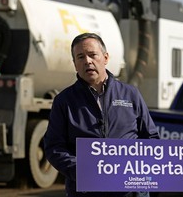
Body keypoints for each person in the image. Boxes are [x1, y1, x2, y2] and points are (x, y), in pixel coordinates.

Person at [44, 32, 160, 197]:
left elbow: (151, 139)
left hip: (129, 192)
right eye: (81, 57)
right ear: (75, 64)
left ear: (105, 58)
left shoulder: (130, 94)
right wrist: (81, 171)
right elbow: (54, 147)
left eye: (92, 55)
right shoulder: (64, 101)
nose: (87, 61)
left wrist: (141, 174)